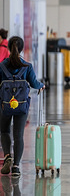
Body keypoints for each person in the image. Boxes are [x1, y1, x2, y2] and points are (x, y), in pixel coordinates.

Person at [0, 36, 45, 177]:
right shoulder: (27, 66)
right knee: (18, 135)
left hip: (4, 104)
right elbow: (34, 83)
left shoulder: (1, 66)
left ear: (9, 48)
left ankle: (7, 155)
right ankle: (16, 167)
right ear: (21, 49)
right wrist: (42, 85)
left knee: (5, 131)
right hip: (21, 105)